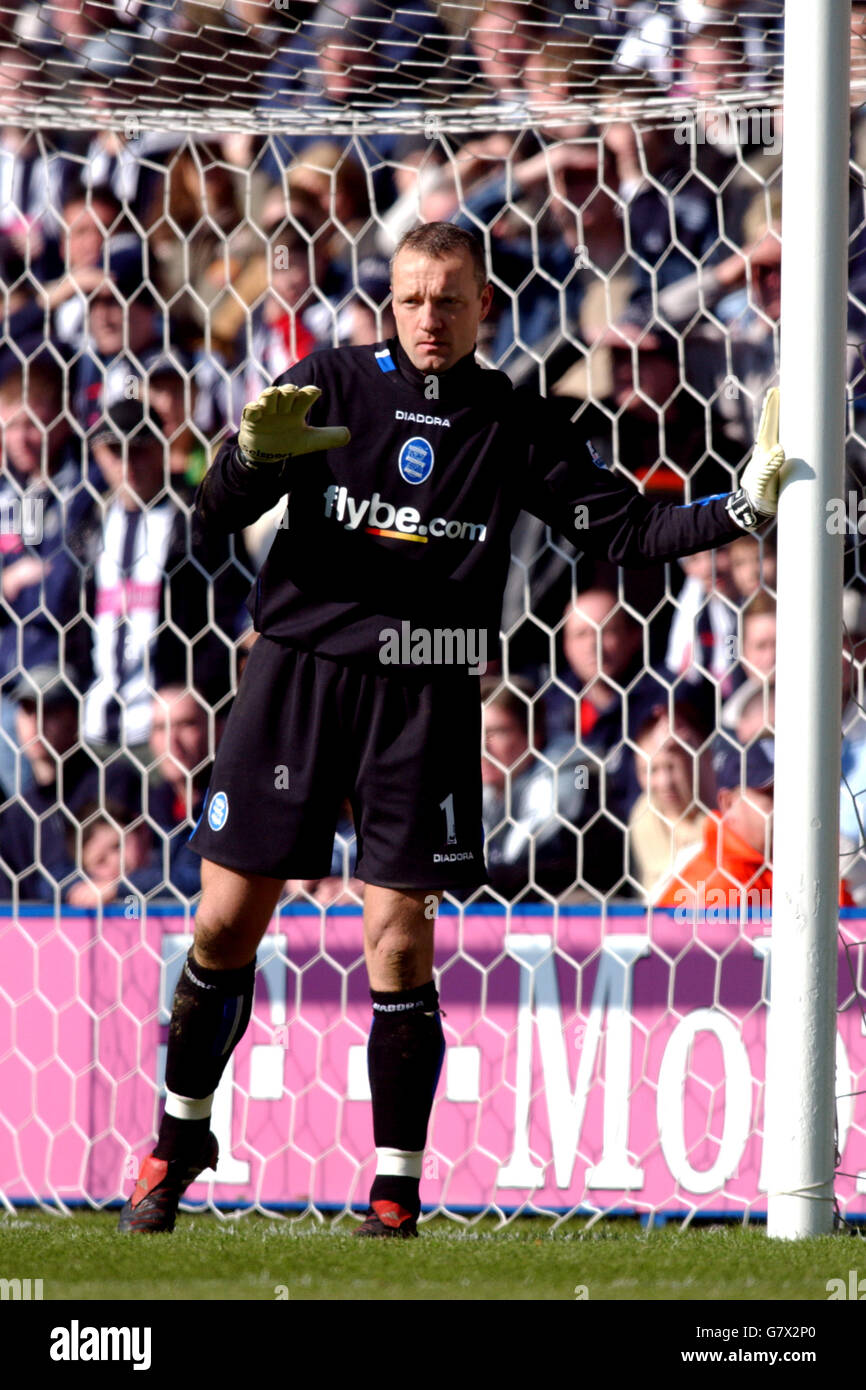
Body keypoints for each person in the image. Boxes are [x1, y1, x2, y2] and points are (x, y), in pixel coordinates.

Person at [117, 221, 785, 1237]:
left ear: (483, 309)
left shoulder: (508, 418)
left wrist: (735, 506)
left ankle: (393, 1189)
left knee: (398, 945)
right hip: (297, 674)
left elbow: (620, 527)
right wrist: (251, 463)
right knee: (223, 923)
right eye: (414, 296)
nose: (431, 316)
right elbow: (211, 517)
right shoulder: (333, 384)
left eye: (452, 299)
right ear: (392, 300)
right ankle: (177, 1139)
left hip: (423, 692)